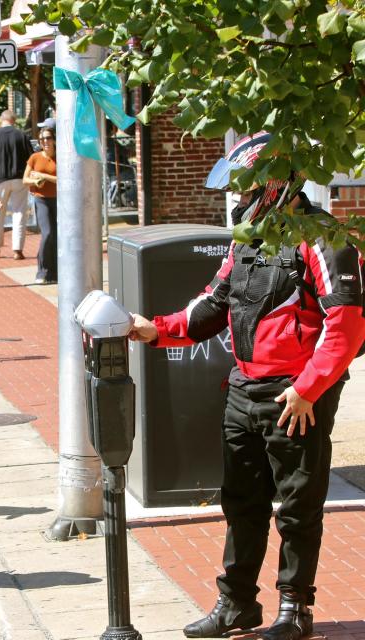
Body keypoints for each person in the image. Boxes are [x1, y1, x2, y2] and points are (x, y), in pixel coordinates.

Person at [127, 132, 365, 640]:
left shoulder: (325, 238)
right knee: (240, 502)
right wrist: (155, 328)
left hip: (294, 397)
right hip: (243, 389)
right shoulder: (250, 238)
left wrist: (309, 388)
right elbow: (212, 303)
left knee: (298, 508)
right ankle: (237, 604)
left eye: (246, 186)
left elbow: (346, 324)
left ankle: (295, 610)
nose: (238, 197)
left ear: (278, 181)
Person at [0, 109, 34, 260]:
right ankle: (17, 249)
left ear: (2, 120)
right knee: (19, 212)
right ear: (14, 121)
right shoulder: (22, 135)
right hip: (19, 178)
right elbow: (30, 157)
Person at [24, 121, 57, 284]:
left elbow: (64, 180)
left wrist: (44, 176)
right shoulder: (34, 158)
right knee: (48, 233)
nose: (45, 142)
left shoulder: (61, 157)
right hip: (41, 199)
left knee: (57, 236)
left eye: (48, 138)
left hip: (58, 200)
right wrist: (35, 181)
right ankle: (42, 271)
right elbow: (25, 179)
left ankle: (55, 272)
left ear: (54, 140)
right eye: (42, 139)